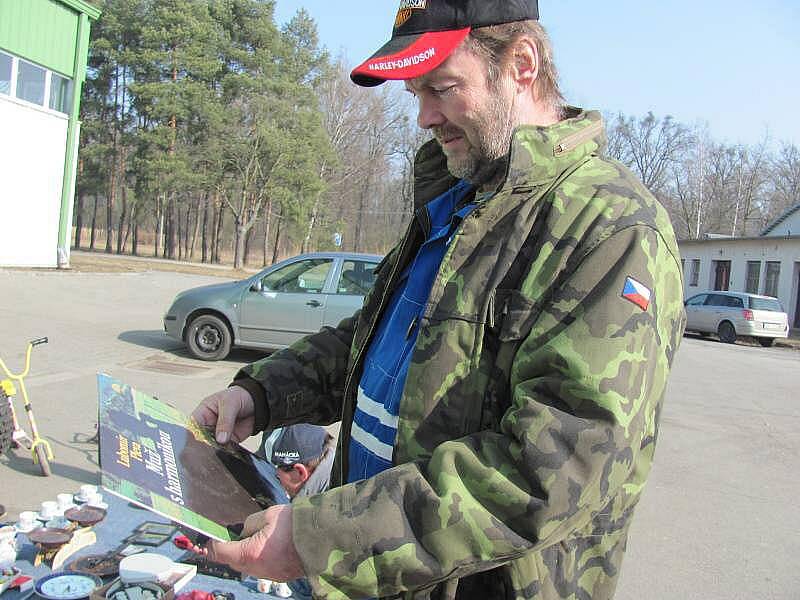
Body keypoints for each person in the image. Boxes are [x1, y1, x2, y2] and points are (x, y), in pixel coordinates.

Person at [192, 1, 687, 598]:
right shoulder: (456, 199)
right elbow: (374, 341)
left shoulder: (611, 230)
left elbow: (555, 467)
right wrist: (262, 392)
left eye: (442, 88)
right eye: (414, 94)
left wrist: (322, 538)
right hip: (377, 580)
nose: (424, 117)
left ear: (521, 64)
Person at [269, 424, 335, 499]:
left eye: (277, 478)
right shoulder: (345, 469)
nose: (274, 482)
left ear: (301, 472)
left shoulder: (324, 507)